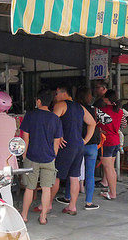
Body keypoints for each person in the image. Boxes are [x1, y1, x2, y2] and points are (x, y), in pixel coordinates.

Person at [47, 85, 95, 216]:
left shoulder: (61, 105)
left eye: (56, 94)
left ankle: (48, 204)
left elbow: (51, 124)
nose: (54, 97)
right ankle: (72, 206)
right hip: (79, 145)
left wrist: (58, 136)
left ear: (62, 93)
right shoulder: (80, 107)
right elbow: (92, 123)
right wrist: (84, 140)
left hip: (65, 146)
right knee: (74, 176)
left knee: (56, 176)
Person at [62, 87, 111, 210]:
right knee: (90, 174)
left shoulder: (74, 109)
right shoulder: (94, 110)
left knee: (72, 172)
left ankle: (68, 197)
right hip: (92, 145)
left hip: (76, 144)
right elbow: (107, 119)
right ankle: (88, 202)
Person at [19, 89, 63, 225]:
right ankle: (43, 217)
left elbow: (25, 138)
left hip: (32, 157)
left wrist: (25, 154)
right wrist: (53, 156)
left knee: (29, 188)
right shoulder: (55, 118)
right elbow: (57, 140)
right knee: (46, 188)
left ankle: (24, 216)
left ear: (38, 101)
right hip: (49, 158)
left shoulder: (30, 116)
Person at [98, 89, 125, 201]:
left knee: (108, 168)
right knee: (111, 168)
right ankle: (112, 190)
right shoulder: (120, 111)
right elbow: (123, 124)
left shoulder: (102, 111)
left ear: (106, 99)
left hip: (107, 141)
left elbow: (96, 124)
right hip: (116, 141)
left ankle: (113, 193)